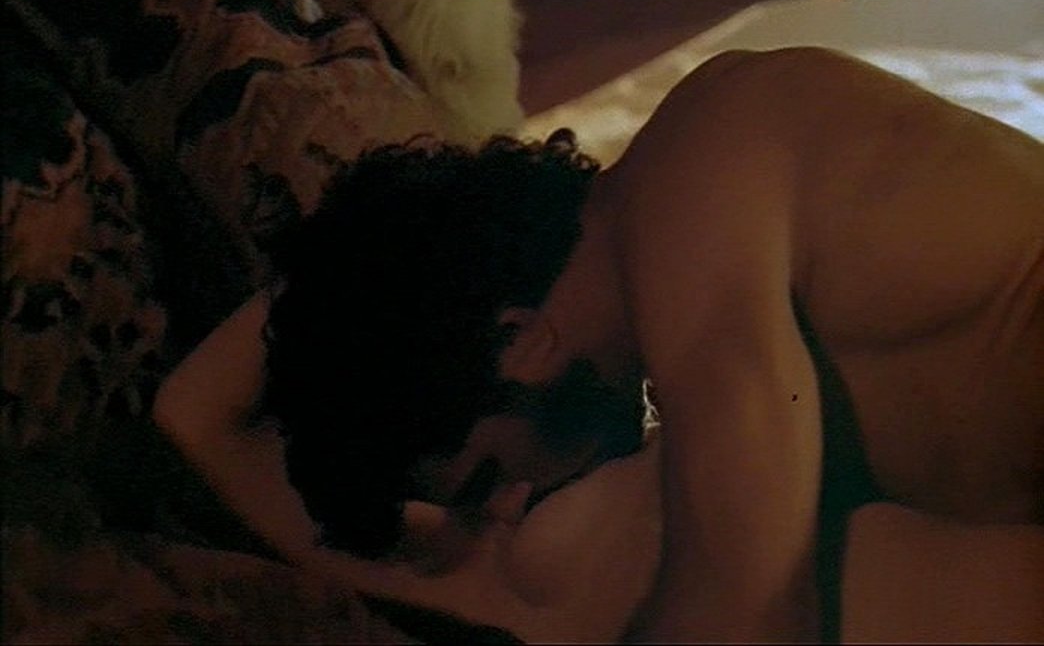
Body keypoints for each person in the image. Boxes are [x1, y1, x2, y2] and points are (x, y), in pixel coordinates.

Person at [154, 46, 1044, 642]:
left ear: (518, 341)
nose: (513, 509)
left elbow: (749, 605)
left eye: (490, 478)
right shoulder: (705, 289)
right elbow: (192, 418)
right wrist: (364, 267)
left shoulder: (701, 168)